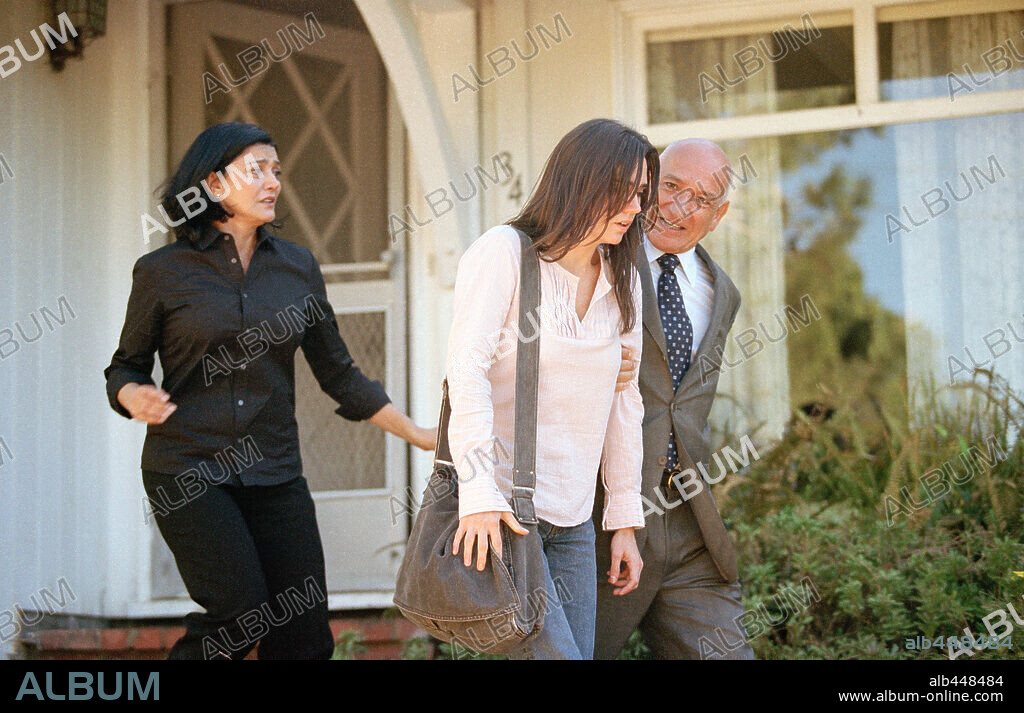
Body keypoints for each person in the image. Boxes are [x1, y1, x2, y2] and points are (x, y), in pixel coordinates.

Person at [104, 122, 434, 660]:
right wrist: (133, 394)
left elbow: (340, 373)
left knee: (304, 637)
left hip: (275, 471)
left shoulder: (297, 269)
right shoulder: (162, 272)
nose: (272, 182)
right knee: (240, 611)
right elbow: (125, 367)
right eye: (255, 169)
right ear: (212, 184)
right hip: (188, 471)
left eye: (276, 170)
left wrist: (417, 434)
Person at [445, 118, 658, 659]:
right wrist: (477, 497)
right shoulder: (504, 254)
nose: (635, 207)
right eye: (622, 190)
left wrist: (625, 522)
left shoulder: (623, 277)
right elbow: (464, 371)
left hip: (575, 521)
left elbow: (623, 402)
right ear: (579, 180)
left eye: (640, 193)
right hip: (505, 514)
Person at [593, 139, 755, 660]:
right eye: (670, 186)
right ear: (646, 184)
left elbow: (683, 406)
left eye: (701, 198)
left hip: (688, 527)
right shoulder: (596, 261)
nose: (680, 207)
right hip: (596, 520)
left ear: (719, 214)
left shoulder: (720, 291)